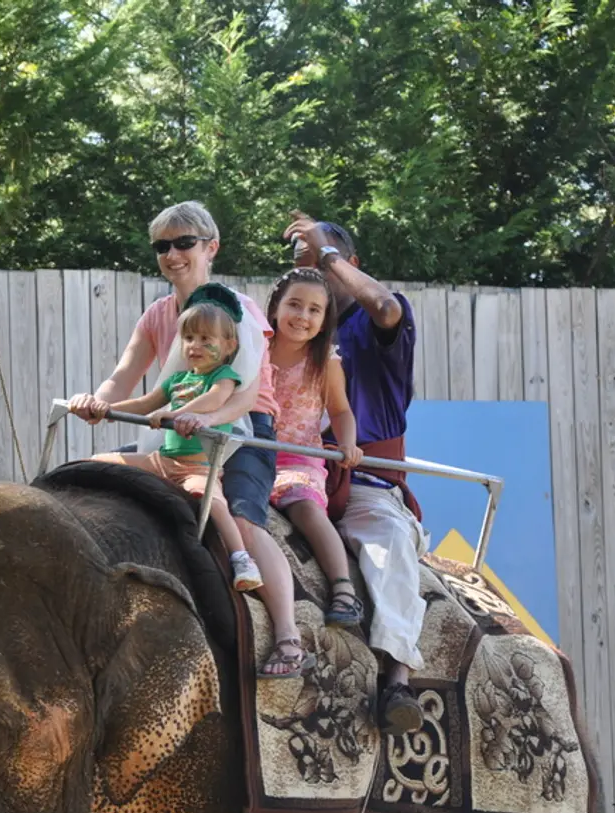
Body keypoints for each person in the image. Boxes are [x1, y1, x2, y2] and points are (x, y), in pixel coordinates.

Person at [68, 201, 305, 656]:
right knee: (89, 477)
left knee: (241, 517)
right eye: (162, 246)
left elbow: (244, 393)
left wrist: (205, 419)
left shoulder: (240, 311)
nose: (172, 254)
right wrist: (98, 401)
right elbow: (124, 376)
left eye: (184, 243)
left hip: (241, 429)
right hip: (174, 428)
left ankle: (288, 635)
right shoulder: (159, 314)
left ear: (210, 248)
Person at [283, 211, 426, 735]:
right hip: (289, 470)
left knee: (388, 545)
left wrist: (327, 252)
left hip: (362, 483)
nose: (313, 276)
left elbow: (385, 305)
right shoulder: (287, 333)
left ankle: (397, 681)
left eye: (322, 265)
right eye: (302, 269)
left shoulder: (377, 323)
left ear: (348, 265)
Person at [85, 288, 262, 590]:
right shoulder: (177, 380)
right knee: (95, 464)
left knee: (213, 501)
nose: (196, 345)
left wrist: (178, 414)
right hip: (163, 460)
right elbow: (145, 403)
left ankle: (241, 558)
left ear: (229, 345)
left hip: (196, 467)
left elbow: (215, 399)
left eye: (207, 339)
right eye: (190, 338)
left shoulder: (224, 376)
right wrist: (106, 409)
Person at [256, 267, 364, 676]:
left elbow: (339, 410)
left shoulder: (325, 361)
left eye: (314, 310)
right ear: (275, 308)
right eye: (295, 305)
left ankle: (342, 588)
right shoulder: (256, 351)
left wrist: (347, 442)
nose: (303, 316)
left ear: (325, 320)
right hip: (254, 453)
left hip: (298, 458)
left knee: (302, 504)